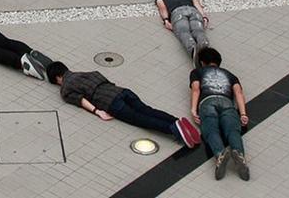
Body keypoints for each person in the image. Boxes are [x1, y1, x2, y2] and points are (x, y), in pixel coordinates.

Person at [47, 61, 202, 148]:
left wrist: (97, 111)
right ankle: (176, 121)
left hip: (110, 103)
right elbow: (101, 76)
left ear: (57, 78)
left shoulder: (66, 88)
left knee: (140, 119)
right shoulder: (85, 73)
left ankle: (173, 129)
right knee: (147, 110)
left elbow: (81, 100)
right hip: (122, 91)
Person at [189, 47, 250, 181]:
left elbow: (195, 89)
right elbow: (238, 93)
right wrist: (243, 114)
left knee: (211, 130)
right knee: (233, 131)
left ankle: (220, 154)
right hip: (227, 102)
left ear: (202, 62)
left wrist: (193, 110)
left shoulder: (197, 72)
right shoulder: (231, 75)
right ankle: (239, 155)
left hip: (207, 102)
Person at [155, 0, 209, 65]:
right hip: (193, 11)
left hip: (177, 13)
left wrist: (166, 21)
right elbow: (197, 4)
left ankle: (194, 51)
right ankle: (204, 46)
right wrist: (204, 17)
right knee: (199, 31)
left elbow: (162, 7)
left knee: (184, 33)